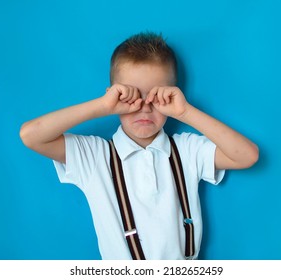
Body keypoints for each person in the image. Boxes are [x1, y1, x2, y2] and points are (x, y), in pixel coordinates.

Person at [20, 32, 259, 260]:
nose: (144, 107)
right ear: (113, 96)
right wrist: (102, 106)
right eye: (130, 97)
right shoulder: (95, 156)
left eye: (156, 97)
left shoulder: (186, 150)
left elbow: (246, 155)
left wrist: (185, 112)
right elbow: (31, 135)